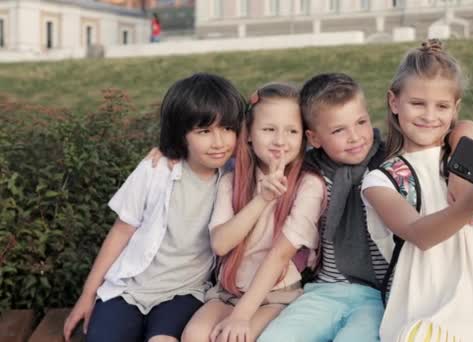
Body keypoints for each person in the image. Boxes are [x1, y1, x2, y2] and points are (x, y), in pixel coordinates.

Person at [361, 39, 473, 341]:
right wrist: (469, 204)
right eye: (417, 103)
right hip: (424, 308)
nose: (430, 116)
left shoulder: (472, 157)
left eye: (442, 106)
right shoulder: (381, 179)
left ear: (455, 109)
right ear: (394, 102)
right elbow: (420, 233)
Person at [62, 73, 245, 342]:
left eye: (227, 128)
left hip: (185, 292)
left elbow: (273, 140)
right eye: (204, 131)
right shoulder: (156, 170)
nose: (219, 142)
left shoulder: (234, 177)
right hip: (129, 289)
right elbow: (121, 233)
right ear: (181, 134)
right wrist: (88, 295)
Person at [181, 83, 325, 342]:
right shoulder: (232, 181)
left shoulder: (309, 186)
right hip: (228, 291)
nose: (280, 140)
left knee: (236, 338)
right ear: (248, 134)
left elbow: (280, 255)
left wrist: (241, 316)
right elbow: (221, 244)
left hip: (275, 295)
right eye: (269, 129)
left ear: (304, 136)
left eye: (292, 131)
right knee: (195, 335)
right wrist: (262, 199)